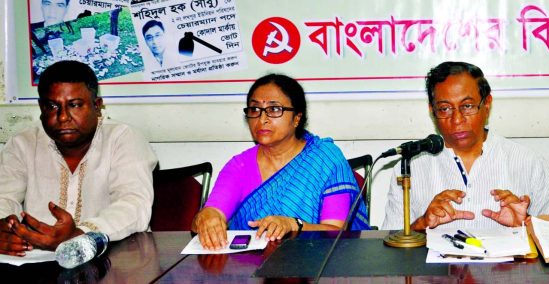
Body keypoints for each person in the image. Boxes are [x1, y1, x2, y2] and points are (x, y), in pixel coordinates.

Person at [192, 74, 369, 250]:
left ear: (297, 118)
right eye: (255, 110)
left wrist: (295, 225)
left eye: (274, 109)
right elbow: (212, 212)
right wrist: (207, 217)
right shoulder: (239, 166)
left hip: (317, 267)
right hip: (251, 270)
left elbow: (335, 232)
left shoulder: (325, 159)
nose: (262, 119)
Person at [0, 60, 157, 255]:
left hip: (115, 261)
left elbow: (134, 205)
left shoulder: (123, 138)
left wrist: (81, 234)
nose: (63, 117)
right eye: (52, 106)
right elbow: (3, 198)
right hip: (37, 262)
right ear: (41, 108)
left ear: (97, 106)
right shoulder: (22, 144)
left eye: (74, 105)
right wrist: (5, 229)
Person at [382, 61, 549, 231]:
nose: (457, 119)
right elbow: (388, 246)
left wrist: (526, 224)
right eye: (445, 108)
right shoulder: (409, 167)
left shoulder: (528, 162)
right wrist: (421, 224)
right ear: (432, 110)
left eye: (467, 106)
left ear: (487, 104)